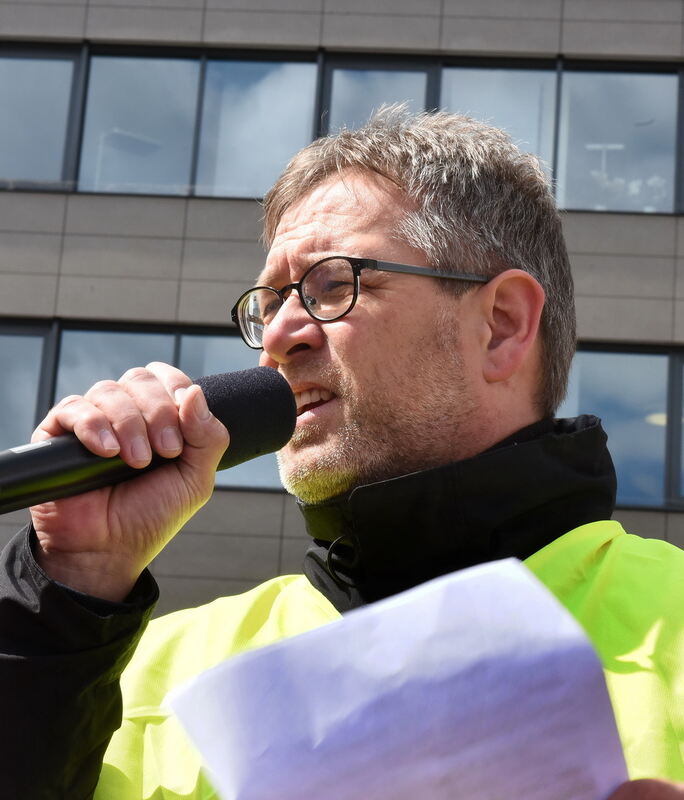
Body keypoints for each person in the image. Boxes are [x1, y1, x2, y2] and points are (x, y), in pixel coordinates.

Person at [1, 108, 683, 799]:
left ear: (502, 325)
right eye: (269, 304)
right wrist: (65, 597)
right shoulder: (131, 679)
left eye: (333, 284)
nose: (281, 334)